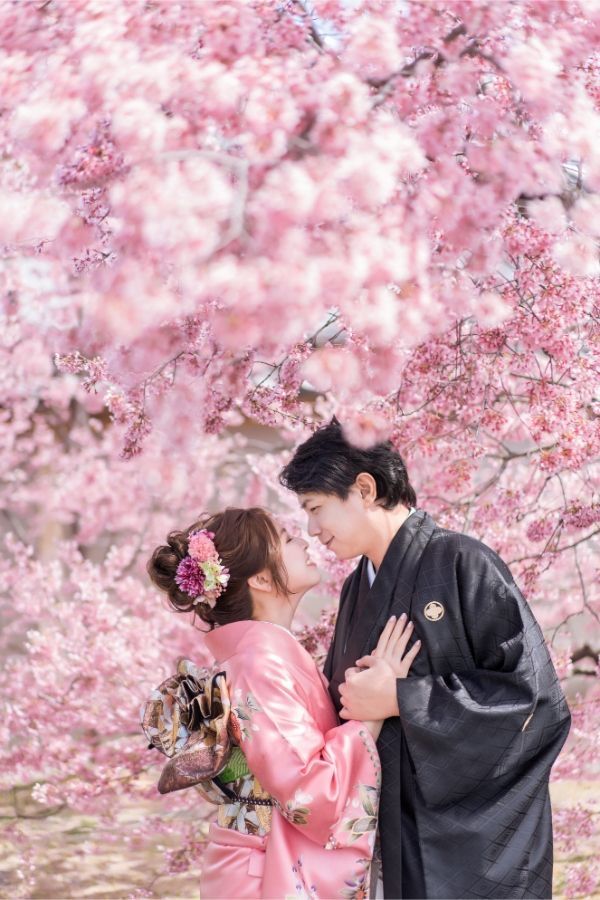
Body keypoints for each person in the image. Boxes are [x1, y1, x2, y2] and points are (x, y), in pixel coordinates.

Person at [279, 419, 572, 900]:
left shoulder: (463, 563)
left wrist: (402, 698)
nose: (313, 530)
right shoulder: (358, 587)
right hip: (391, 832)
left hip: (469, 845)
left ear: (365, 489)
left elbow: (536, 703)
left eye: (316, 508)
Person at [145, 506, 421, 899]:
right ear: (260, 577)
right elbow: (310, 794)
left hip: (263, 862)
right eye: (287, 540)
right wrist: (370, 715)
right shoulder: (260, 664)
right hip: (263, 873)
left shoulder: (265, 657)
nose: (303, 542)